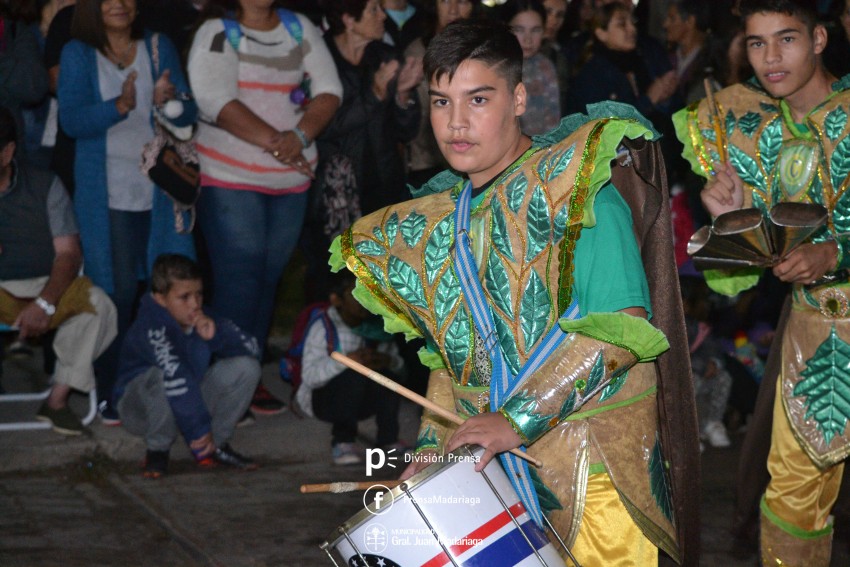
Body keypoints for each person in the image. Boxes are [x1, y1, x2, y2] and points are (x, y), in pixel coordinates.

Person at [330, 18, 699, 566]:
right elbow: (457, 359)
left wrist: (517, 419)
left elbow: (621, 327)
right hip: (491, 480)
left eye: (478, 99)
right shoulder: (437, 223)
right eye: (439, 102)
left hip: (592, 471)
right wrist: (433, 450)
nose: (455, 123)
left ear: (520, 96)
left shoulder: (576, 187)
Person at [673, 0, 850, 562]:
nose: (770, 59)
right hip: (816, 333)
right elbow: (740, 271)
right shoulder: (749, 125)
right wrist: (735, 216)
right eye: (756, 43)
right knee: (793, 496)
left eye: (787, 39)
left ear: (820, 38)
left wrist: (835, 251)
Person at [187, 0, 342, 413]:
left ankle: (246, 372)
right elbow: (214, 99)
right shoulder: (217, 32)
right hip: (230, 178)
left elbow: (329, 90)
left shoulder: (299, 26)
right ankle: (225, 381)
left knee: (267, 280)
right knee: (240, 279)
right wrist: (281, 142)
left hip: (290, 180)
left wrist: (301, 136)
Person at [58, 0, 198, 423]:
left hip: (159, 192)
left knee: (165, 291)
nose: (119, 4)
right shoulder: (77, 52)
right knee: (115, 296)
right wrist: (118, 106)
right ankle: (109, 387)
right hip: (107, 195)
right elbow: (71, 121)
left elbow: (189, 114)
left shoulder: (159, 46)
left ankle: (165, 386)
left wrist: (169, 102)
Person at [0, 105, 117, 436]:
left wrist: (46, 302)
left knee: (99, 307)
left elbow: (68, 254)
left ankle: (56, 400)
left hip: (42, 283)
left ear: (7, 152)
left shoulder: (44, 185)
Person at [301, 0, 421, 303]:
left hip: (382, 186)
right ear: (348, 19)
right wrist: (376, 93)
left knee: (383, 279)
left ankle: (378, 348)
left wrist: (404, 95)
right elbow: (324, 126)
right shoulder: (318, 60)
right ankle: (327, 342)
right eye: (373, 10)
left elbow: (405, 130)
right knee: (333, 279)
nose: (383, 16)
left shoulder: (385, 57)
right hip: (332, 195)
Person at [114, 254, 261, 478]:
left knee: (247, 367)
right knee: (164, 376)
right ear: (160, 299)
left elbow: (252, 349)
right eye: (184, 297)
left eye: (199, 294)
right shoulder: (151, 327)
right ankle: (158, 450)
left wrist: (216, 336)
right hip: (141, 410)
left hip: (186, 399)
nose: (195, 304)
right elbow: (176, 375)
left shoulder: (202, 315)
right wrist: (198, 429)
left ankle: (216, 445)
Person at [295, 270, 406, 465]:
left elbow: (401, 368)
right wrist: (345, 361)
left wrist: (386, 361)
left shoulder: (376, 325)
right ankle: (342, 441)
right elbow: (310, 377)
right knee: (353, 375)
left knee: (386, 377)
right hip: (322, 401)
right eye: (355, 294)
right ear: (336, 300)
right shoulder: (323, 327)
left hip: (362, 403)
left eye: (368, 292)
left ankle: (388, 441)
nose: (363, 300)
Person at [404, 0, 478, 188]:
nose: (453, 10)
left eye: (461, 2)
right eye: (445, 1)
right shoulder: (417, 53)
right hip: (427, 164)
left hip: (476, 159)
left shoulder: (484, 51)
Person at [503, 0, 561, 136]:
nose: (528, 39)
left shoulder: (545, 66)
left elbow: (553, 119)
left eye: (535, 30)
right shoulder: (493, 67)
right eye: (519, 30)